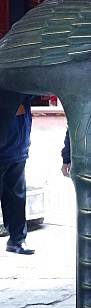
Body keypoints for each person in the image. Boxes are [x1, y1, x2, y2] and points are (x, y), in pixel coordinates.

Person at [0, 95, 35, 255]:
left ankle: (17, 240)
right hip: (4, 148)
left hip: (18, 148)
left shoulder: (23, 86)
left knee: (16, 197)